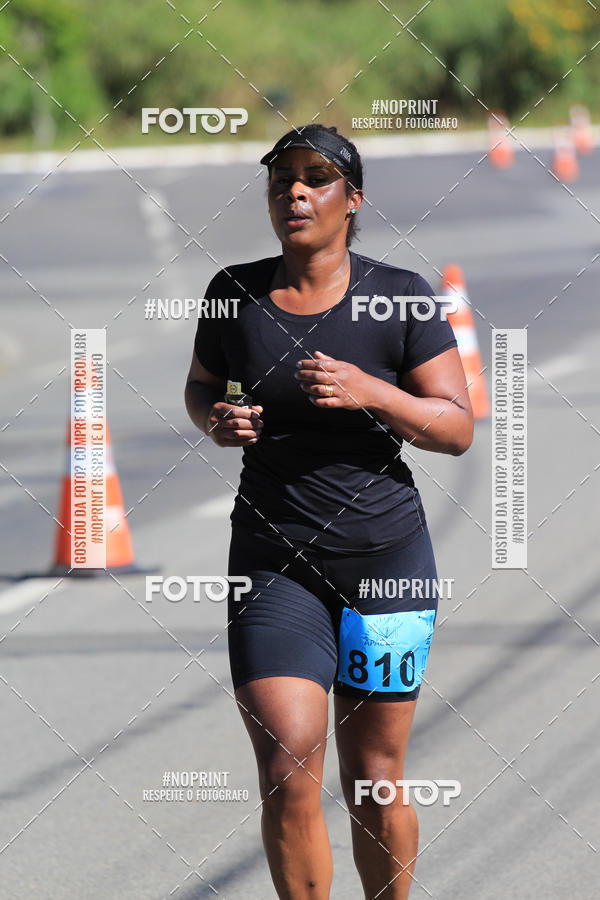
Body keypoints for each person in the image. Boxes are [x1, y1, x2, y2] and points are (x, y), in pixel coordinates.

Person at [185, 124, 473, 899]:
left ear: (353, 199)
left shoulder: (399, 295)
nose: (297, 193)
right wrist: (217, 419)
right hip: (274, 561)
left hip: (386, 563)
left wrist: (372, 391)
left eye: (317, 178)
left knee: (374, 777)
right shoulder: (233, 293)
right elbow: (202, 386)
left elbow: (456, 427)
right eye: (283, 180)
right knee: (287, 767)